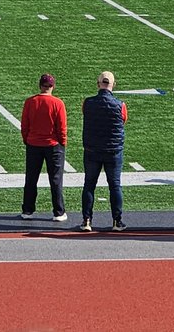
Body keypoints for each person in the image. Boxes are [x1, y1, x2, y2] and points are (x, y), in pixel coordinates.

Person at [79, 71, 128, 232]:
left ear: (98, 83)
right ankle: (117, 221)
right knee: (115, 186)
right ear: (114, 84)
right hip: (113, 150)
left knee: (89, 185)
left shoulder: (88, 102)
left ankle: (86, 220)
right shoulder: (120, 104)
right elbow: (123, 120)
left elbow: (85, 114)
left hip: (92, 149)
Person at [20, 73, 68, 223]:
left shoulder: (30, 102)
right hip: (53, 145)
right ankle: (58, 212)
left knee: (31, 178)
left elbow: (24, 125)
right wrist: (63, 142)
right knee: (55, 179)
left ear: (40, 86)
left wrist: (27, 139)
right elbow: (62, 127)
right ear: (52, 87)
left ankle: (28, 210)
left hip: (34, 144)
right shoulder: (58, 103)